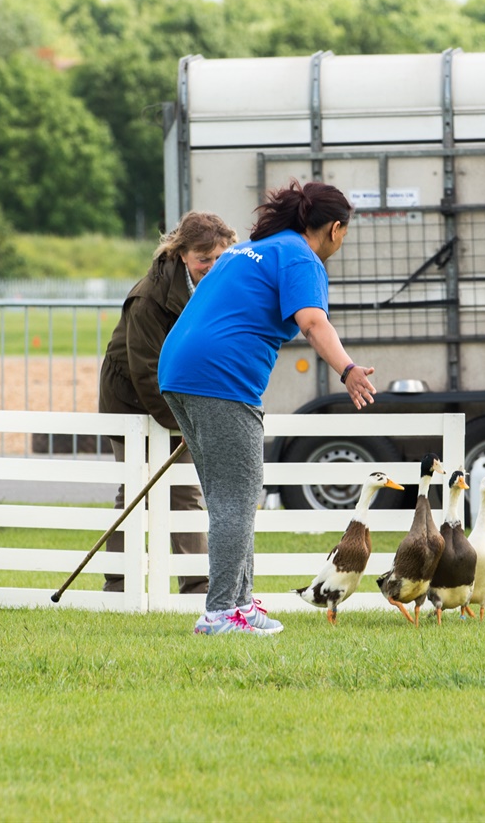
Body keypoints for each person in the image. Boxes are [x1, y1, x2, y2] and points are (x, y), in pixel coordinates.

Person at [159, 179, 379, 635]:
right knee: (237, 500)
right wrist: (348, 369)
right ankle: (220, 612)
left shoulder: (249, 251)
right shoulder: (300, 257)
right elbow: (313, 322)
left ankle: (240, 603)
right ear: (335, 229)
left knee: (229, 498)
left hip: (179, 370)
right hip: (221, 378)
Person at [99, 210, 237, 595]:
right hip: (131, 398)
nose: (211, 266)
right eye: (202, 258)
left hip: (181, 393)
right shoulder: (147, 300)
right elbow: (145, 373)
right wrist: (186, 425)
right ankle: (119, 584)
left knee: (184, 491)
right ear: (181, 255)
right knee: (135, 490)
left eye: (218, 258)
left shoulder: (222, 285)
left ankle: (196, 585)